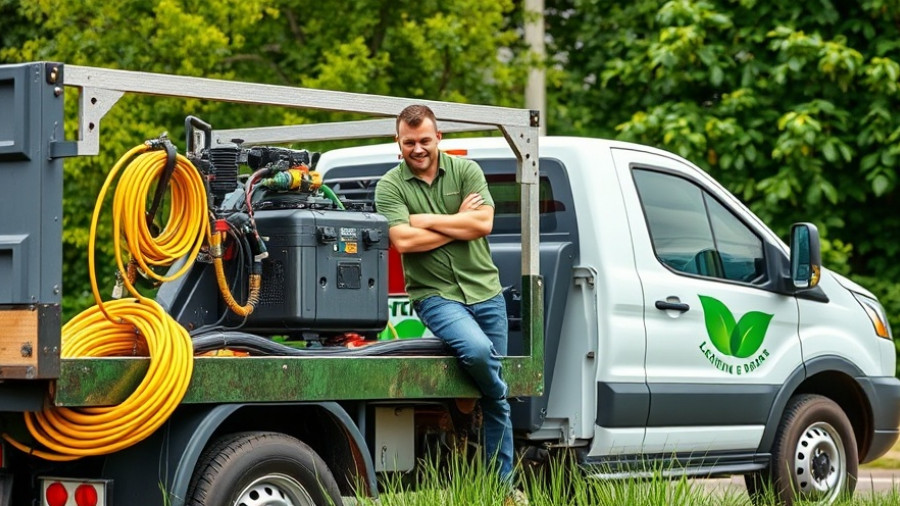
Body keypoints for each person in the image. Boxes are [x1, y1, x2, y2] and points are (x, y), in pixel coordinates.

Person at [374, 105, 516, 485]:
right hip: (436, 296)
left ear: (439, 138)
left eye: (424, 140)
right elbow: (403, 241)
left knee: (477, 395)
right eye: (409, 142)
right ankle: (496, 395)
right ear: (398, 142)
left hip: (486, 290)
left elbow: (483, 222)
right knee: (481, 357)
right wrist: (458, 222)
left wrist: (424, 220)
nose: (417, 148)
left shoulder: (466, 171)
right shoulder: (390, 185)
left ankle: (500, 488)